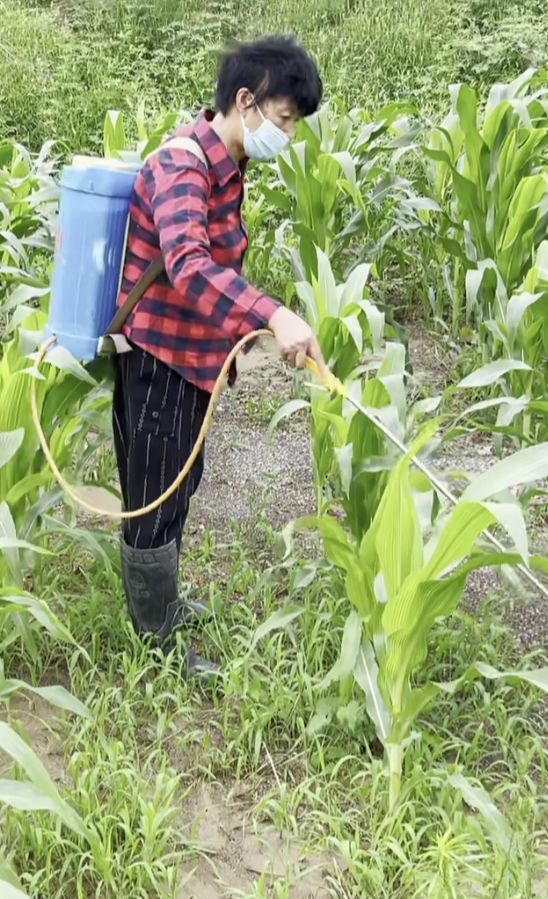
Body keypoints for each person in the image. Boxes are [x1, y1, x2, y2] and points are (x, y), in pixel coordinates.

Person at [112, 35, 326, 678]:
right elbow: (188, 265)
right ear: (246, 100)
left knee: (182, 482)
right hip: (158, 360)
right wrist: (273, 314)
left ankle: (165, 605)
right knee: (154, 493)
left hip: (194, 359)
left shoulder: (228, 164)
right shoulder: (183, 164)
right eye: (284, 119)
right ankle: (154, 644)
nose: (286, 135)